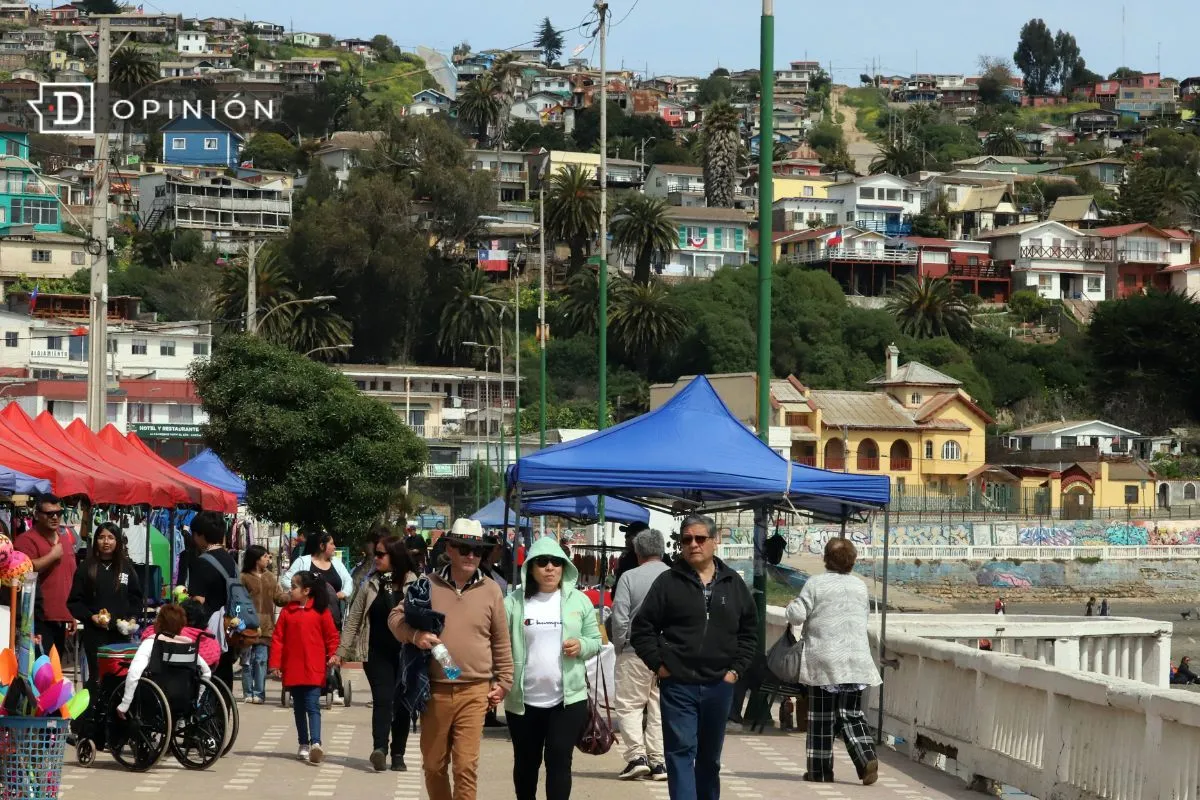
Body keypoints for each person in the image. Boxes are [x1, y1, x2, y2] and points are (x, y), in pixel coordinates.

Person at [630, 514, 756, 800]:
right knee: (680, 754)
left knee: (710, 759)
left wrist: (734, 672)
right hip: (678, 685)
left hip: (719, 685)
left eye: (700, 538)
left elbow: (749, 633)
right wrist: (660, 666)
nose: (693, 545)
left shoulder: (733, 584)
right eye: (687, 539)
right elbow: (642, 630)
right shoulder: (667, 582)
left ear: (715, 541)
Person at [389, 518, 514, 800]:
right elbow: (394, 618)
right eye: (464, 548)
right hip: (434, 690)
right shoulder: (427, 585)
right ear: (450, 549)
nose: (471, 555)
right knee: (434, 765)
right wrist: (415, 635)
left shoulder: (491, 590)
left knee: (466, 767)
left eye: (477, 550)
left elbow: (501, 640)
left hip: (475, 690)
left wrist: (505, 681)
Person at [502, 537, 601, 800]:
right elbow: (498, 643)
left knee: (559, 761)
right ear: (531, 568)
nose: (549, 568)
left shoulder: (579, 601)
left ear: (564, 566)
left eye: (556, 562)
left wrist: (581, 644)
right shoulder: (513, 602)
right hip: (522, 701)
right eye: (542, 562)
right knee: (526, 764)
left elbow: (596, 641)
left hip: (568, 700)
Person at [786, 538, 882, 785]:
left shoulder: (815, 583)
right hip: (856, 660)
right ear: (852, 561)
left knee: (821, 719)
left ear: (826, 558)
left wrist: (791, 606)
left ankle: (819, 772)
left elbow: (797, 616)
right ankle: (866, 756)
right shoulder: (860, 586)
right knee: (851, 714)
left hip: (824, 660)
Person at [335, 535, 420, 772]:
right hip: (376, 653)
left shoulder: (413, 583)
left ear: (394, 556)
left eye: (381, 554)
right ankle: (380, 749)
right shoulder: (369, 583)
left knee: (402, 703)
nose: (377, 558)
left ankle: (399, 753)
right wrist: (342, 651)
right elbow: (353, 619)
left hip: (406, 654)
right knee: (383, 700)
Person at [610, 528, 671, 781]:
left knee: (630, 705)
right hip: (668, 654)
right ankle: (659, 762)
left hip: (635, 651)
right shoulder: (675, 577)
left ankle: (637, 756)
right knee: (658, 707)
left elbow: (619, 616)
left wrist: (620, 645)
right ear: (662, 550)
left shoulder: (628, 577)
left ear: (637, 553)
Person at [269, 571, 340, 764]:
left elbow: (332, 636)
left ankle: (316, 743)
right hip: (292, 668)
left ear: (306, 590)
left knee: (313, 706)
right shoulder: (286, 612)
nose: (289, 590)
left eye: (293, 587)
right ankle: (303, 744)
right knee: (298, 708)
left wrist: (334, 654)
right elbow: (278, 639)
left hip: (314, 667)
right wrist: (275, 663)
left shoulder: (321, 611)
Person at [67, 522, 143, 690]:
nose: (106, 542)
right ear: (96, 541)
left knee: (120, 678)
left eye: (110, 537)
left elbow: (136, 598)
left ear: (118, 542)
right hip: (95, 635)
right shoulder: (86, 567)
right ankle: (95, 712)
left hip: (120, 634)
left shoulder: (126, 567)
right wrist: (90, 616)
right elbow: (74, 601)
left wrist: (131, 618)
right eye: (101, 537)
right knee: (97, 677)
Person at [117, 604, 210, 715]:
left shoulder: (152, 643)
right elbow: (207, 672)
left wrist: (125, 704)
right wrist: (197, 698)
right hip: (183, 700)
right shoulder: (188, 646)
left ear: (160, 624)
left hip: (154, 701)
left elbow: (134, 672)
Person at [15, 494, 77, 659]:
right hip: (37, 620)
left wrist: (71, 614)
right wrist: (51, 556)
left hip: (62, 618)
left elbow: (70, 578)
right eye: (49, 513)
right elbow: (24, 570)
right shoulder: (26, 540)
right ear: (36, 515)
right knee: (39, 672)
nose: (55, 517)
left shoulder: (65, 540)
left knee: (55, 672)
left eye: (58, 513)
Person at [185, 511, 238, 688]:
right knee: (224, 674)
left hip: (210, 629)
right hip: (230, 625)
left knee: (207, 676)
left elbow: (198, 600)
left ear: (200, 535)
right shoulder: (230, 560)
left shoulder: (202, 562)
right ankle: (224, 713)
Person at [239, 545, 288, 704]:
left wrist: (291, 597)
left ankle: (259, 693)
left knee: (260, 660)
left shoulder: (270, 577)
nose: (268, 559)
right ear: (256, 559)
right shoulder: (243, 577)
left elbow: (278, 598)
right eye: (265, 556)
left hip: (266, 627)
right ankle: (248, 692)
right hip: (246, 626)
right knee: (246, 662)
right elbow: (237, 601)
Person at [281, 531, 354, 626]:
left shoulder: (337, 563)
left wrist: (344, 593)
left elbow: (348, 580)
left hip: (333, 620)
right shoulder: (303, 562)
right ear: (322, 546)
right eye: (331, 544)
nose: (334, 547)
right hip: (308, 620)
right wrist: (304, 592)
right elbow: (286, 580)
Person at [612, 522, 648, 588]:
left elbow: (617, 590)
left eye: (627, 536)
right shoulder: (627, 557)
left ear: (638, 536)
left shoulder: (629, 559)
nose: (625, 539)